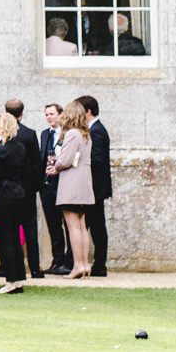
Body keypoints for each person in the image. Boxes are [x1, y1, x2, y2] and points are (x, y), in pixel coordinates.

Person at [46, 100, 95, 280]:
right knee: (81, 226)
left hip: (72, 182)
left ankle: (78, 265)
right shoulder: (85, 134)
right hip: (84, 181)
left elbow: (65, 160)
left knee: (73, 226)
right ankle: (84, 263)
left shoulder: (72, 134)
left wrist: (55, 167)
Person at [0, 111, 32, 294]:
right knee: (14, 239)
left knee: (5, 241)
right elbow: (25, 173)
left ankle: (11, 280)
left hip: (2, 199)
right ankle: (18, 279)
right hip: (18, 197)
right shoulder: (20, 147)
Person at [3, 100, 45, 278]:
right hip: (26, 188)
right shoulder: (29, 134)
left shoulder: (2, 134)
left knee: (7, 230)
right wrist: (34, 187)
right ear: (22, 114)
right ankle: (35, 268)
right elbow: (37, 164)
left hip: (7, 190)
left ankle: (7, 266)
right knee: (30, 229)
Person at [75, 94, 112, 277]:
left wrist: (77, 160)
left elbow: (96, 159)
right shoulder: (93, 129)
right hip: (92, 187)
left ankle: (99, 264)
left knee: (96, 226)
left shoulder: (96, 130)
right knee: (90, 225)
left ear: (88, 111)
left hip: (95, 187)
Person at [37, 102, 72, 275]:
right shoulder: (45, 134)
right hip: (47, 185)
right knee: (53, 224)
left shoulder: (68, 134)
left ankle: (70, 260)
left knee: (68, 223)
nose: (49, 117)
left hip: (63, 183)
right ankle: (56, 260)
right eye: (46, 114)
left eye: (51, 114)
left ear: (60, 114)